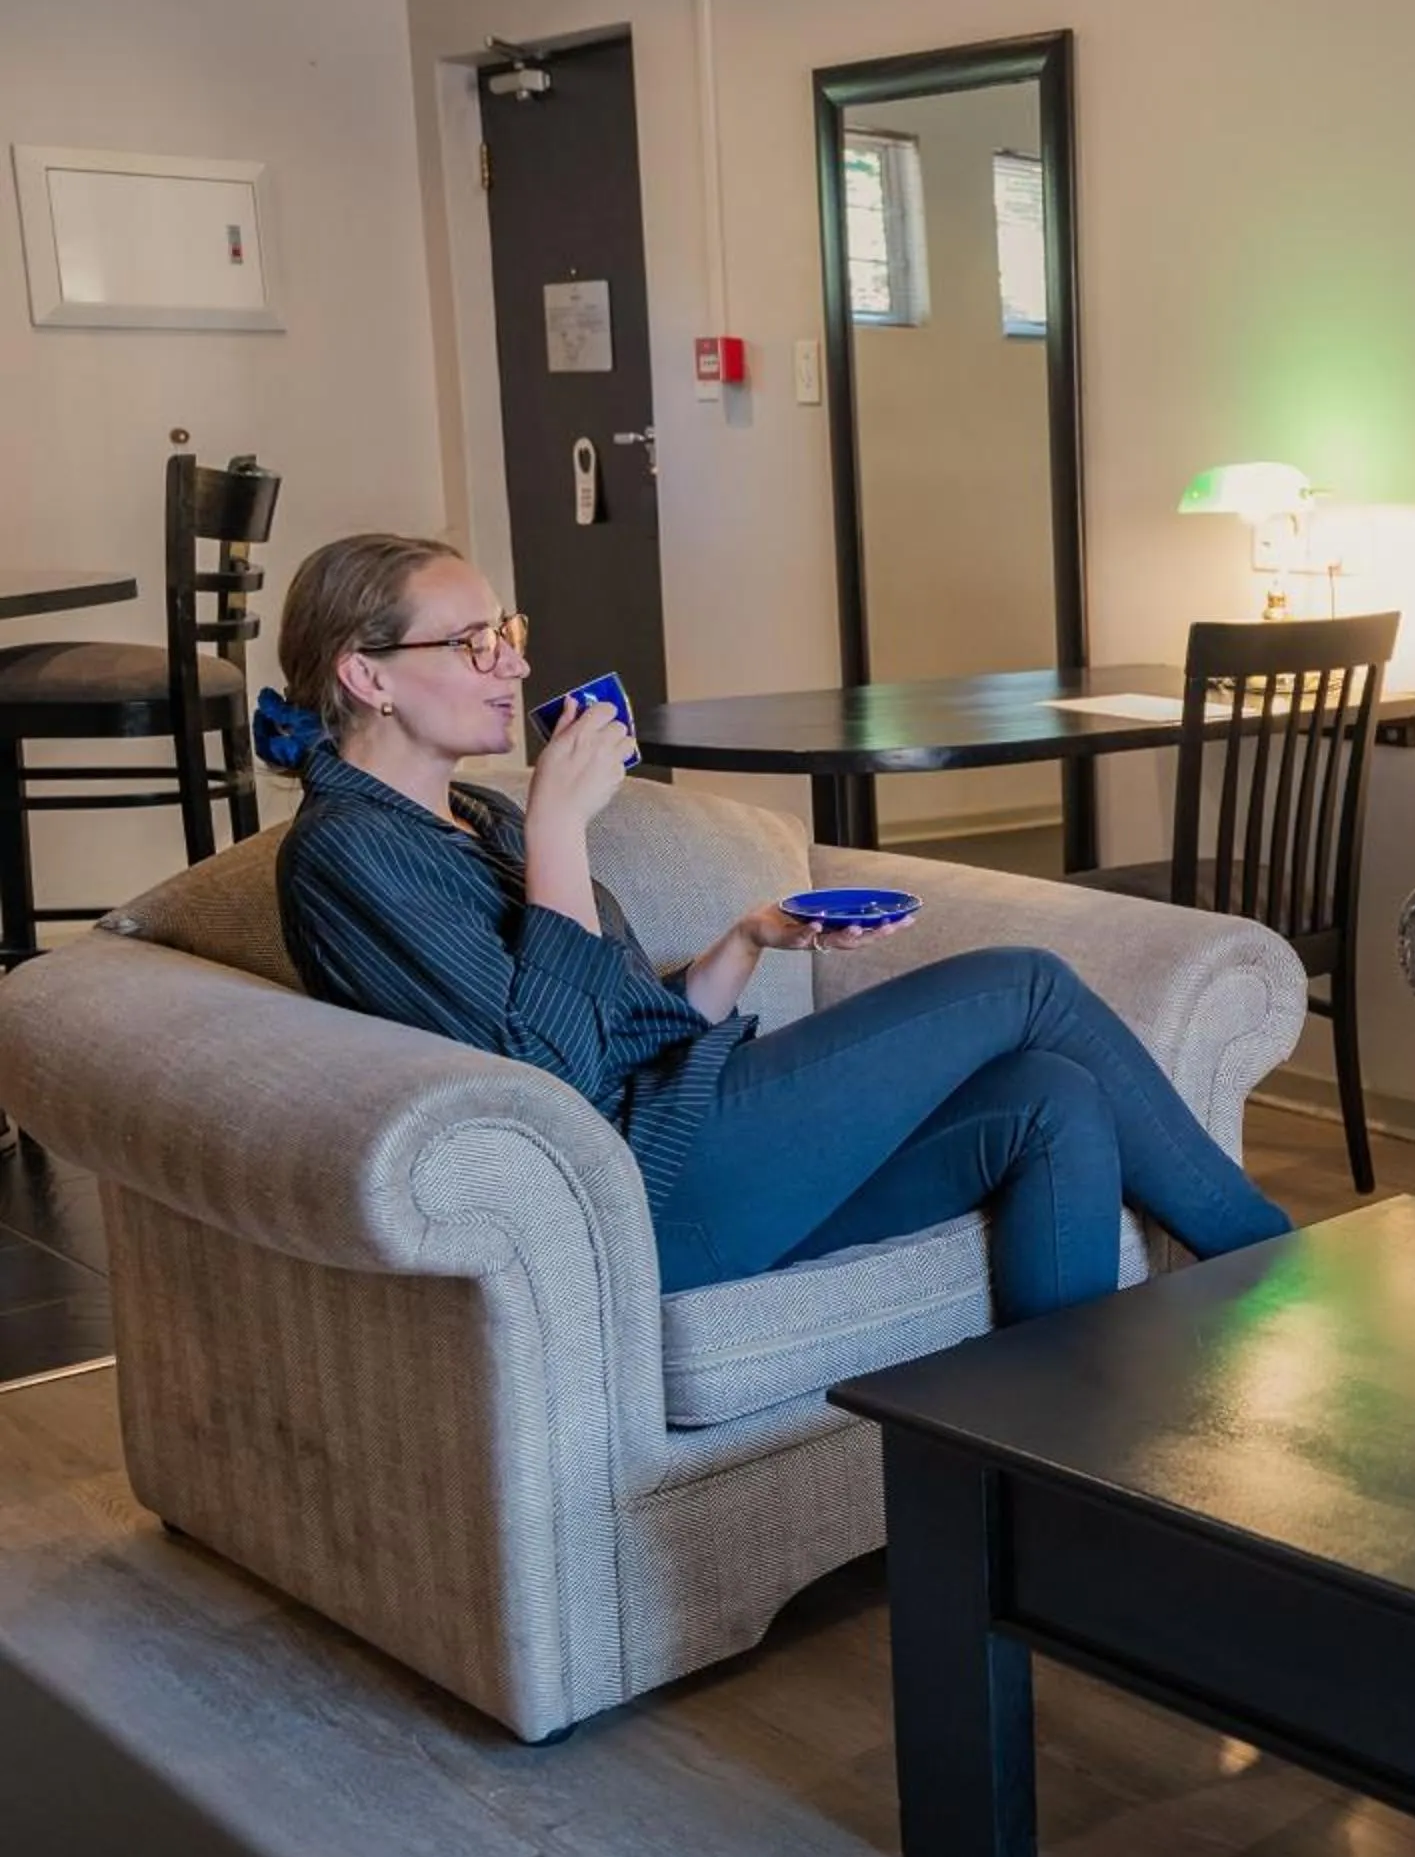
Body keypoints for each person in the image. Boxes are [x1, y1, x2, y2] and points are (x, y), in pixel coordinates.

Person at [264, 533, 1290, 1307]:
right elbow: (557, 1078)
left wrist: (746, 939)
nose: (516, 666)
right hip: (641, 1192)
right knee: (1023, 983)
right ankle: (1280, 1277)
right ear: (367, 674)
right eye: (477, 644)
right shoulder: (348, 851)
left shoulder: (475, 817)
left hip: (689, 1142)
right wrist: (561, 832)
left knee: (1048, 1097)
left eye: (511, 634)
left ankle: (1067, 1488)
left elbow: (613, 1020)